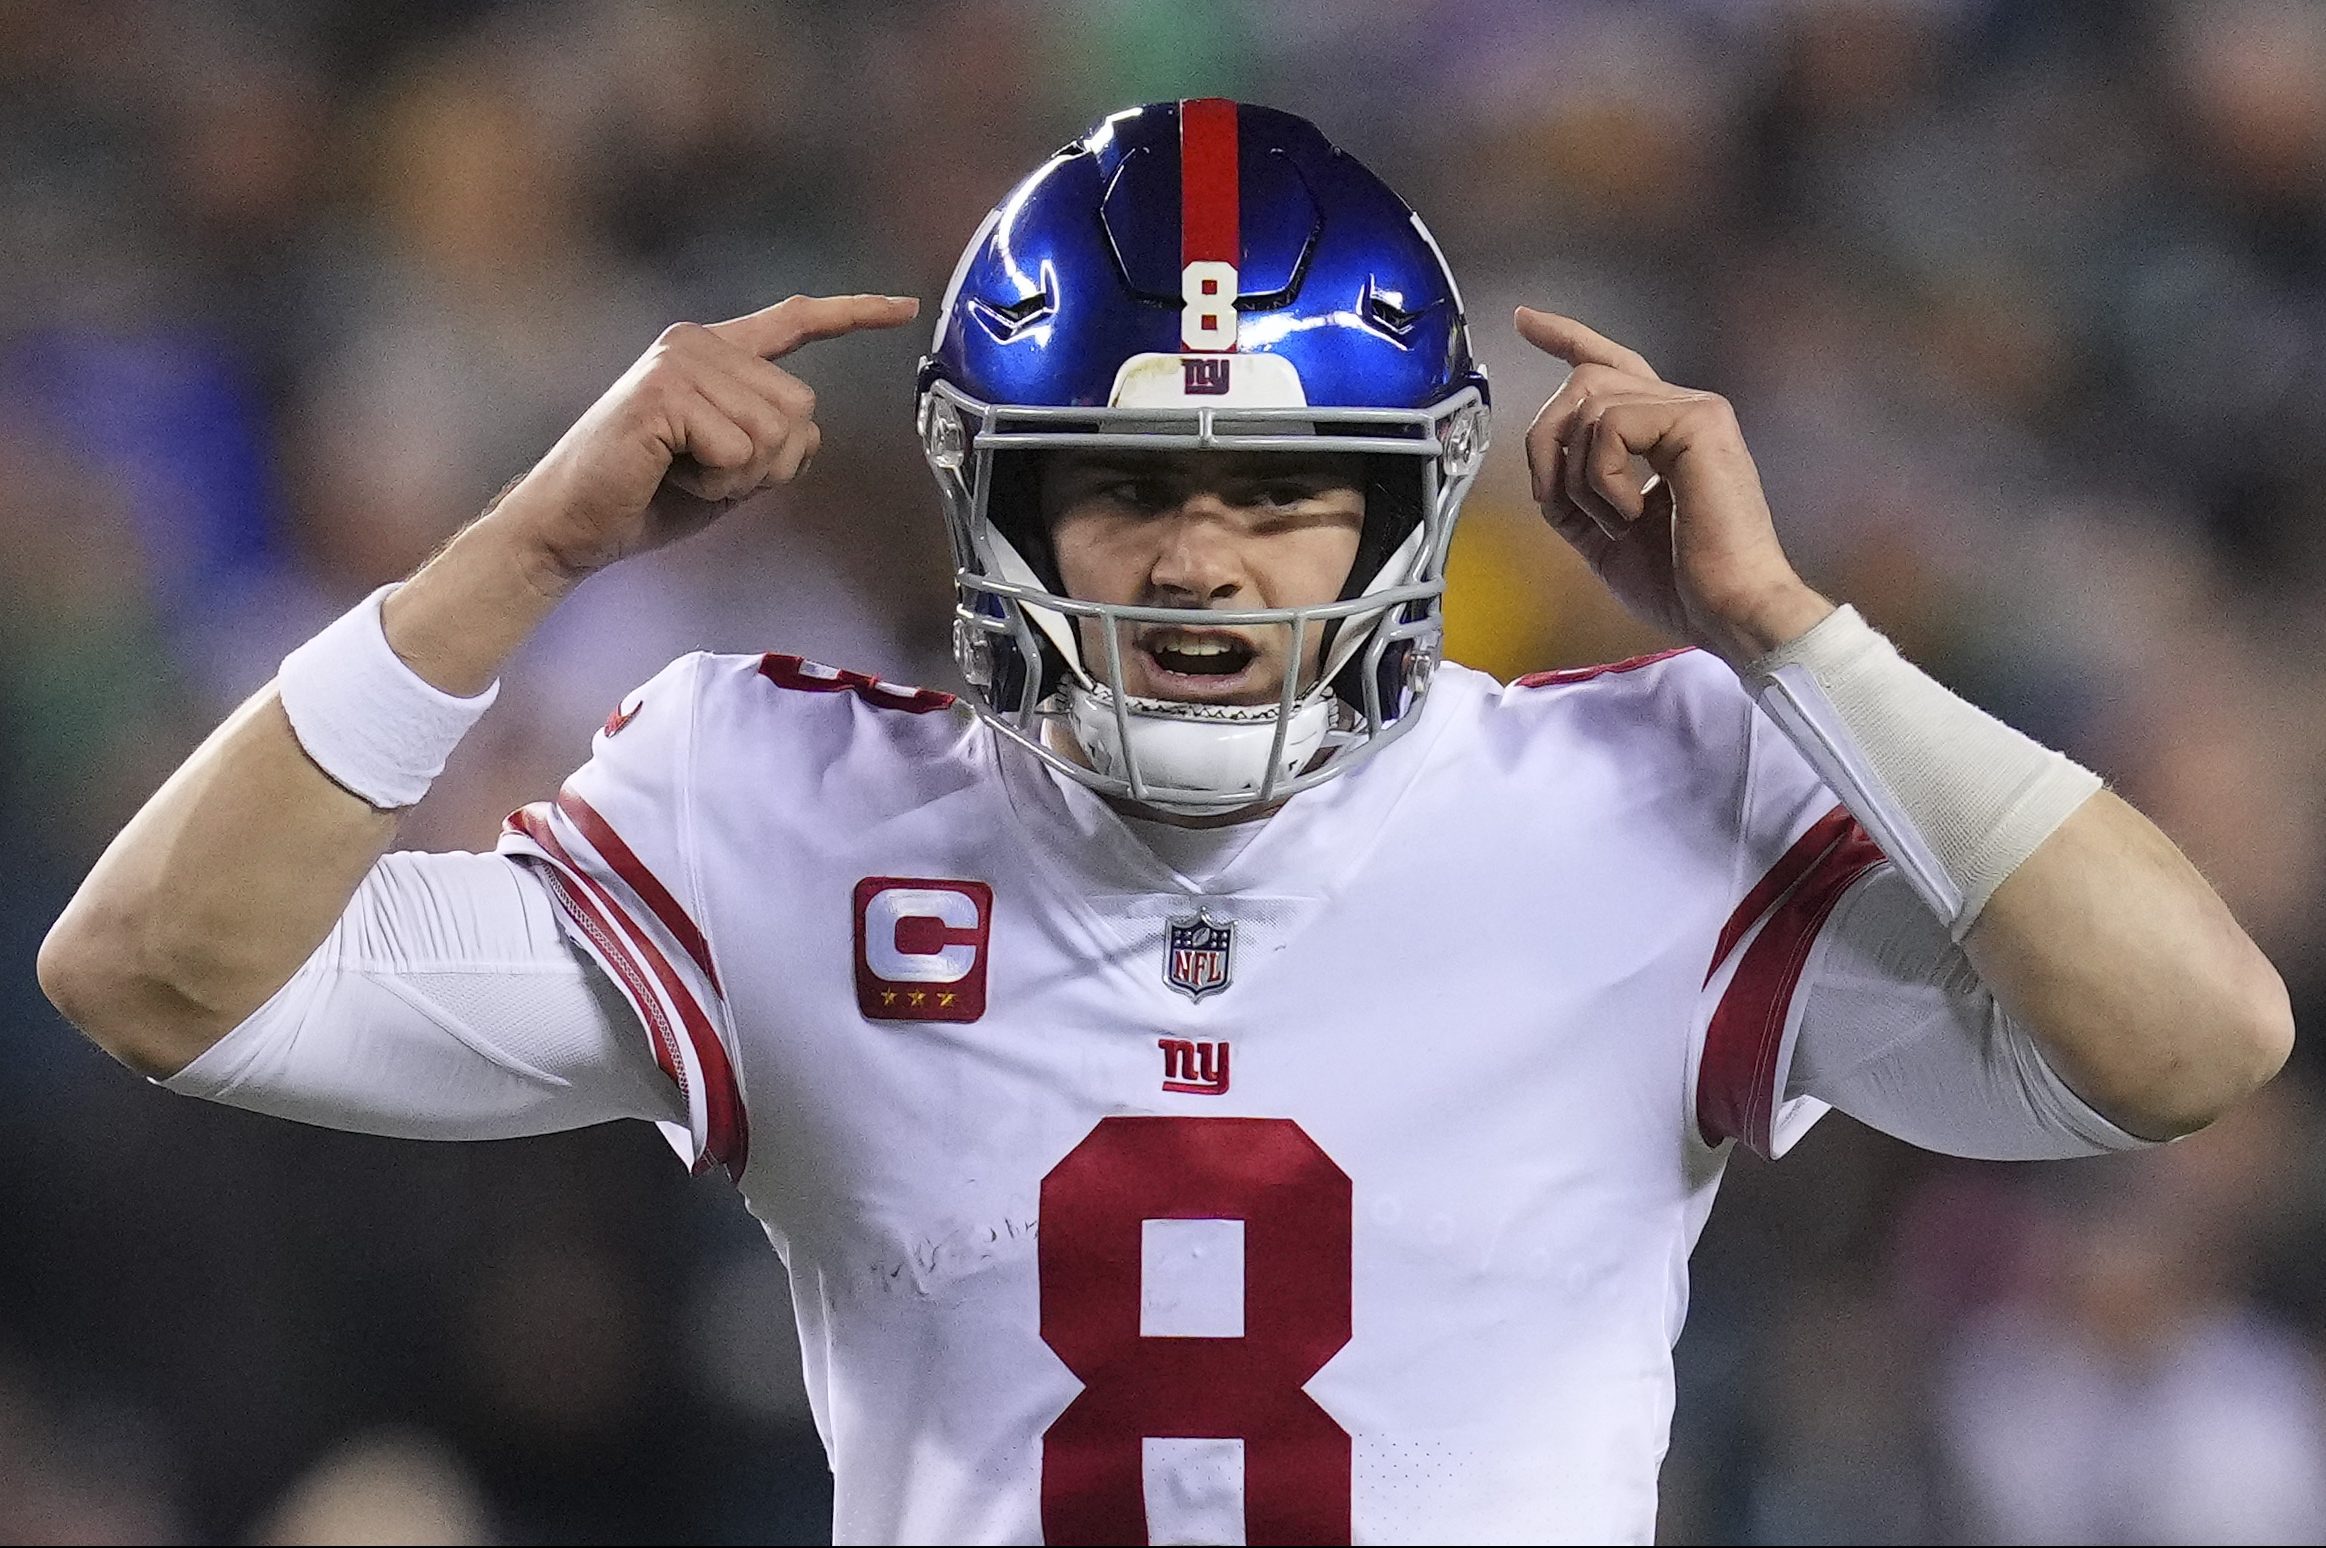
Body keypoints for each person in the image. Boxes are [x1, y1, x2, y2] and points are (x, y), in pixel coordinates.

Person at [38, 100, 2291, 1546]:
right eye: (1116, 487)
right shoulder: (778, 810)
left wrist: (1789, 634)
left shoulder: (1648, 795)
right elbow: (154, 975)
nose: (1199, 564)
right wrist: (523, 546)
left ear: (1400, 519)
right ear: (992, 512)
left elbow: (2192, 1040)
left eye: (1281, 492)